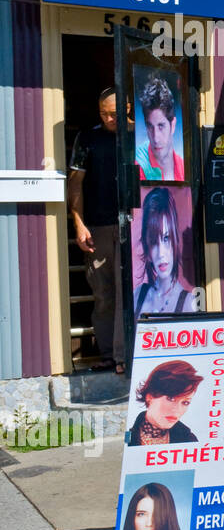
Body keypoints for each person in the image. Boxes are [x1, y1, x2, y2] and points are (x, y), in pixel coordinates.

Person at [68, 88, 125, 373]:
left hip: (137, 224)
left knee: (132, 289)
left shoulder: (142, 135)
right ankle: (108, 355)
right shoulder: (88, 137)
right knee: (104, 291)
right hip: (98, 226)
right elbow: (75, 181)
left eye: (114, 112)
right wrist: (78, 224)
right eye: (103, 112)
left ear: (127, 106)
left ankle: (129, 354)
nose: (109, 117)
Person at [134, 188, 198, 316]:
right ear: (147, 249)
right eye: (153, 242)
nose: (161, 253)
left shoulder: (189, 303)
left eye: (166, 238)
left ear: (176, 240)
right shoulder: (137, 296)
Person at [126, 360, 201, 446]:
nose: (177, 410)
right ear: (149, 396)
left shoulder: (189, 439)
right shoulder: (129, 436)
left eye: (185, 402)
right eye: (171, 398)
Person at [135, 72, 184, 181]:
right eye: (150, 126)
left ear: (173, 125)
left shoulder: (183, 167)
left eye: (161, 126)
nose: (155, 138)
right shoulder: (138, 164)